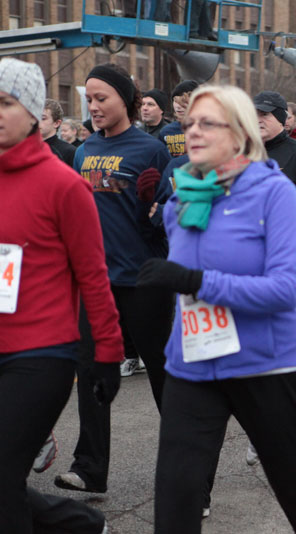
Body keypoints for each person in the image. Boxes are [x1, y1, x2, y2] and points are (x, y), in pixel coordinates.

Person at [136, 84, 296, 534]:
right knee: (174, 503)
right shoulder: (184, 198)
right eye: (189, 122)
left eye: (207, 123)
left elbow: (286, 288)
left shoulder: (274, 191)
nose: (192, 131)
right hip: (194, 364)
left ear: (238, 133)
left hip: (266, 366)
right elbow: (179, 281)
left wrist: (197, 282)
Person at [0, 57, 122, 534]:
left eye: (6, 102)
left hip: (40, 355)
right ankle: (80, 523)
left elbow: (94, 277)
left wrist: (107, 357)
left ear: (33, 112)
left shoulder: (64, 185)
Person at [56, 63, 172, 495]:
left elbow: (168, 218)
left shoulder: (151, 150)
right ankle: (89, 469)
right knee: (91, 375)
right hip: (96, 283)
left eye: (101, 97)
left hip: (143, 281)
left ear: (125, 99)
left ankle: (189, 477)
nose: (94, 106)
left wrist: (153, 215)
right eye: (88, 98)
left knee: (164, 376)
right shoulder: (84, 151)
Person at [243, 89, 296, 465]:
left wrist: (280, 205)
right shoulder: (243, 152)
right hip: (248, 257)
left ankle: (286, 423)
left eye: (264, 114)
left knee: (282, 340)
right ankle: (259, 429)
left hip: (288, 255)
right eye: (253, 113)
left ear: (281, 118)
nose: (258, 119)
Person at [159, 80, 198, 157]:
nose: (178, 106)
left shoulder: (205, 130)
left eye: (183, 101)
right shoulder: (166, 131)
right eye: (175, 101)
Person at [40, 99, 76, 167]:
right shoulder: (27, 149)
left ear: (56, 123)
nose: (37, 121)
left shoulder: (70, 151)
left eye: (43, 118)